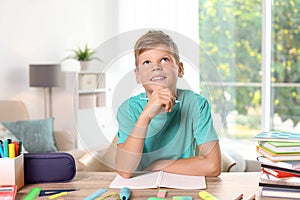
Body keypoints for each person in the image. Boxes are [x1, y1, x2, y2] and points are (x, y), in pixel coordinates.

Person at [115, 30, 221, 178]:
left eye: (164, 59)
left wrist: (159, 165)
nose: (156, 67)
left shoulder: (196, 104)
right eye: (146, 62)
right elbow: (125, 171)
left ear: (180, 69)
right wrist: (145, 116)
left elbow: (213, 166)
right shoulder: (128, 109)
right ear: (138, 75)